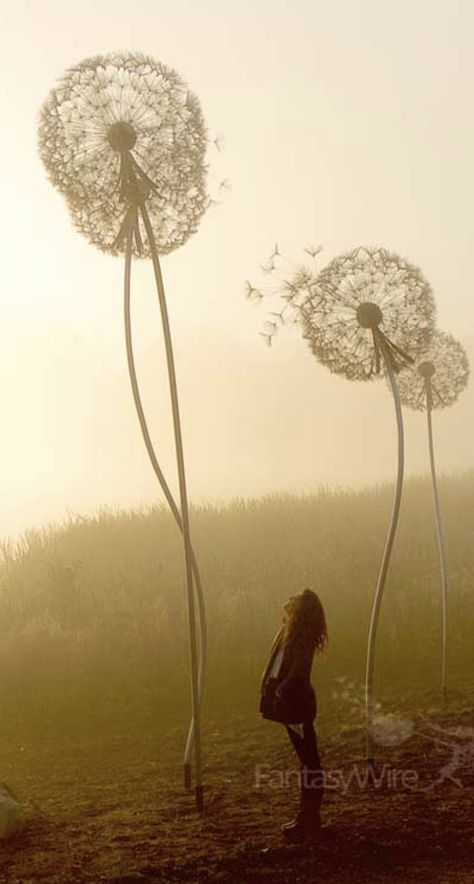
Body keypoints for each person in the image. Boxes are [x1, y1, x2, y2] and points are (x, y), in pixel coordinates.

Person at [259, 588, 328, 844]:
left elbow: (300, 669)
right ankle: (306, 817)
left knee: (310, 762)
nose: (291, 598)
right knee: (307, 761)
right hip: (293, 703)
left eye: (298, 597)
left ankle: (309, 820)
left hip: (297, 704)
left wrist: (283, 688)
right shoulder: (294, 630)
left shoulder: (303, 635)